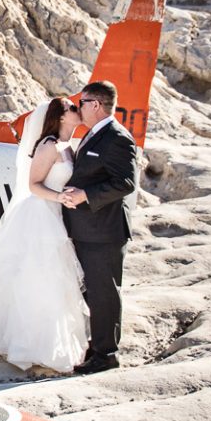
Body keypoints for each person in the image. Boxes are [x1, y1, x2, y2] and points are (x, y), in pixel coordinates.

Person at [0, 97, 89, 373]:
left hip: (56, 215)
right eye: (72, 108)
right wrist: (59, 196)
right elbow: (33, 185)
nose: (77, 109)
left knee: (55, 281)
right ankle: (31, 346)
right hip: (40, 216)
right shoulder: (48, 146)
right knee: (39, 279)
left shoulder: (67, 146)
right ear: (60, 117)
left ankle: (50, 341)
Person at [59, 80, 137, 374]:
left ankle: (107, 354)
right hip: (86, 230)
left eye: (82, 102)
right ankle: (97, 345)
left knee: (104, 293)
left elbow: (125, 183)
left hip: (104, 232)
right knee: (92, 292)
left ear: (95, 105)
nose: (79, 107)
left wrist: (85, 196)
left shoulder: (117, 138)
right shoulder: (94, 135)